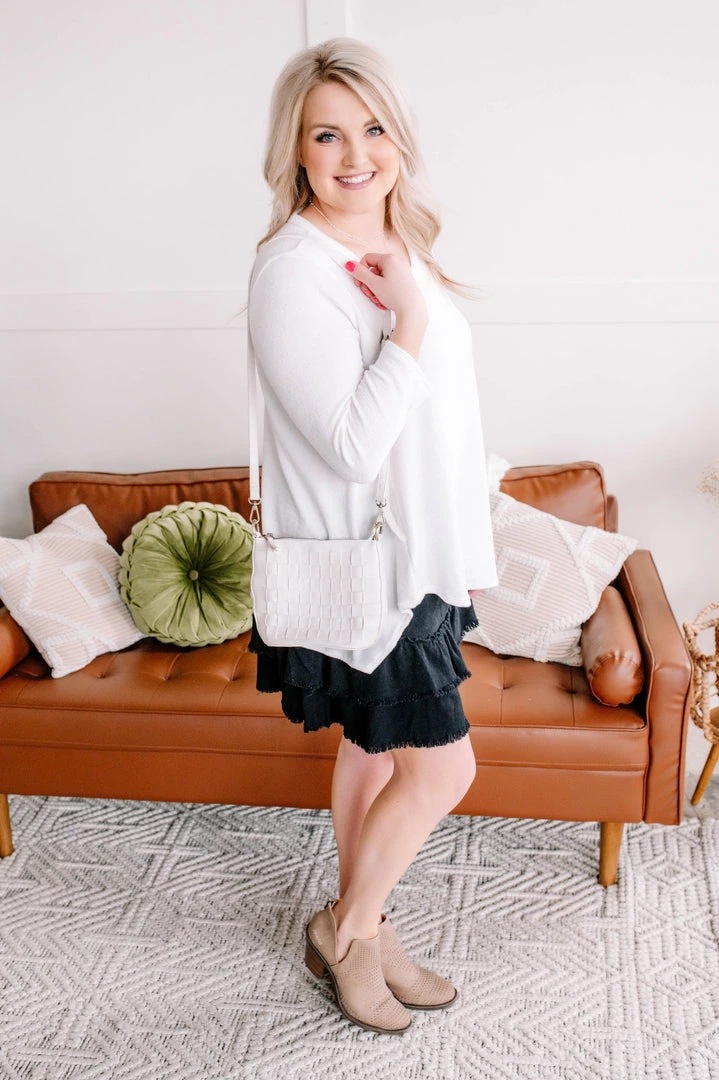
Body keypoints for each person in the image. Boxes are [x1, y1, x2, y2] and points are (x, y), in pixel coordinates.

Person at [247, 37, 498, 1035]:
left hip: (421, 551)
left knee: (372, 751)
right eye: (327, 134)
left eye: (373, 127)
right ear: (295, 151)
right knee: (444, 768)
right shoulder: (291, 272)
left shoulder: (400, 244)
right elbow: (351, 448)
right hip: (366, 565)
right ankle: (346, 931)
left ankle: (370, 924)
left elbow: (440, 416)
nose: (356, 154)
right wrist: (405, 324)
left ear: (399, 136)